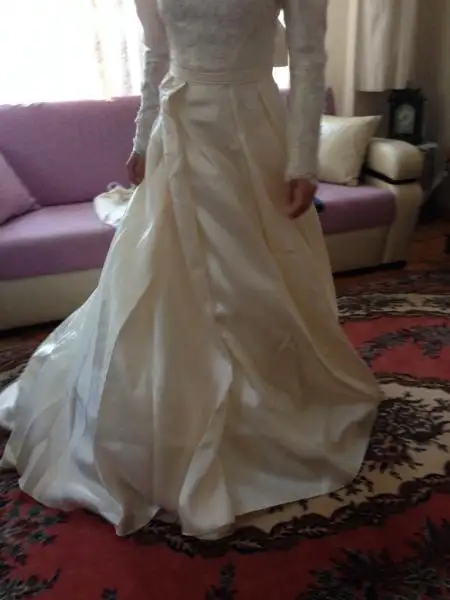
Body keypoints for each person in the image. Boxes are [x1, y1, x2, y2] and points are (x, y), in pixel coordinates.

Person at [0, 0, 382, 539]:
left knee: (251, 274)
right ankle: (160, 411)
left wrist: (302, 160)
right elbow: (157, 52)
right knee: (160, 274)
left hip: (249, 136)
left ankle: (261, 414)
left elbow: (307, 56)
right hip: (177, 133)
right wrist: (142, 136)